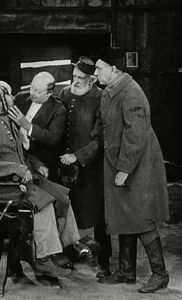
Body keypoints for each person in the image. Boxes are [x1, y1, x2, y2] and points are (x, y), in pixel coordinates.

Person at [0, 80, 81, 278]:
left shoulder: (7, 119)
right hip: (0, 187)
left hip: (18, 179)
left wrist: (36, 164)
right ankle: (44, 258)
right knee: (44, 204)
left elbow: (20, 154)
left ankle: (67, 248)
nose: (15, 98)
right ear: (2, 99)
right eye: (10, 94)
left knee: (62, 196)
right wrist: (19, 170)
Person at [93, 51, 170, 293]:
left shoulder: (131, 93)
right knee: (125, 215)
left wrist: (125, 169)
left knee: (141, 217)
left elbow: (135, 137)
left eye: (99, 69)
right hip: (120, 163)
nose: (95, 74)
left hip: (138, 165)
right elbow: (102, 128)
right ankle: (127, 271)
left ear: (114, 69)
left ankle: (160, 274)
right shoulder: (110, 92)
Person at [58, 56, 112, 277]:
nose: (76, 80)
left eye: (81, 77)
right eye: (74, 76)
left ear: (92, 79)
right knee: (66, 211)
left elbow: (100, 139)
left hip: (91, 168)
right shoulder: (65, 93)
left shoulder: (101, 98)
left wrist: (78, 156)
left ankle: (104, 260)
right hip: (66, 168)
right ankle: (69, 254)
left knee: (98, 216)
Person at [8, 72, 66, 182]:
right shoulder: (20, 98)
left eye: (38, 91)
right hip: (18, 159)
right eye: (32, 88)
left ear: (49, 93)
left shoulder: (58, 110)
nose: (32, 93)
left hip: (43, 163)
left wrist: (28, 126)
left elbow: (53, 138)